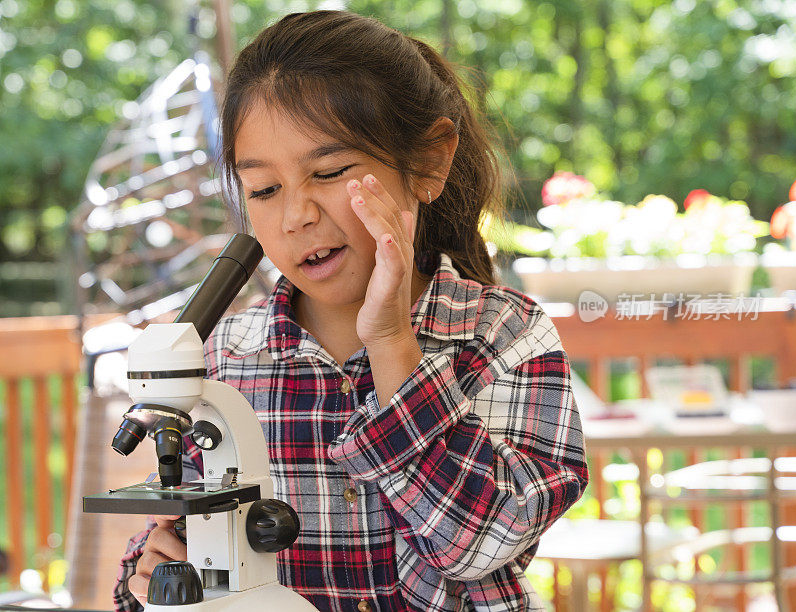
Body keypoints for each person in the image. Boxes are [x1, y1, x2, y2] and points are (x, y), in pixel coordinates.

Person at [113, 10, 587, 612]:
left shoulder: (504, 337)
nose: (295, 216)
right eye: (263, 189)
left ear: (430, 162)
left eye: (330, 172)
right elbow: (174, 534)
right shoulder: (223, 357)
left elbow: (484, 541)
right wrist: (154, 570)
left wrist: (392, 341)